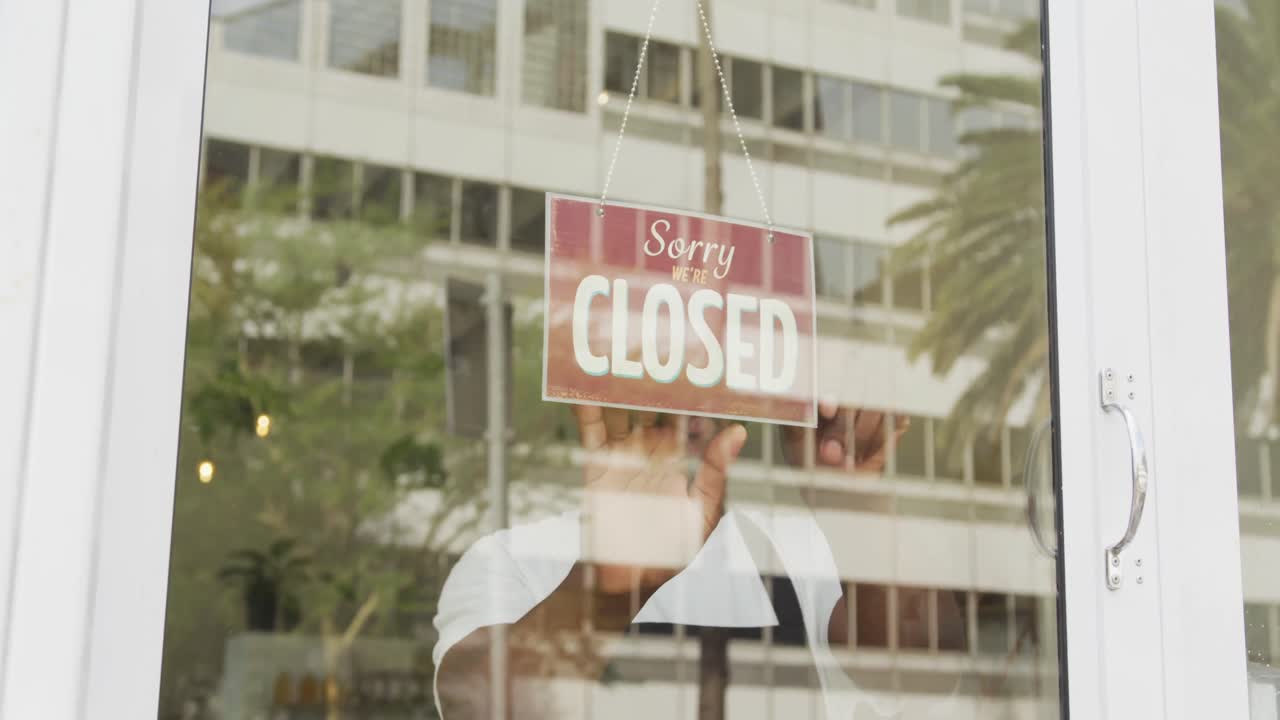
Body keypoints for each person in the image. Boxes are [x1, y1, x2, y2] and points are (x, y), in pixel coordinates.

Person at [431, 403, 934, 719]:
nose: (686, 410)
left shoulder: (794, 551)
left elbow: (928, 678)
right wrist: (605, 593)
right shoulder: (513, 560)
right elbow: (474, 705)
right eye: (660, 383)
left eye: (703, 378)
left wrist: (857, 506)